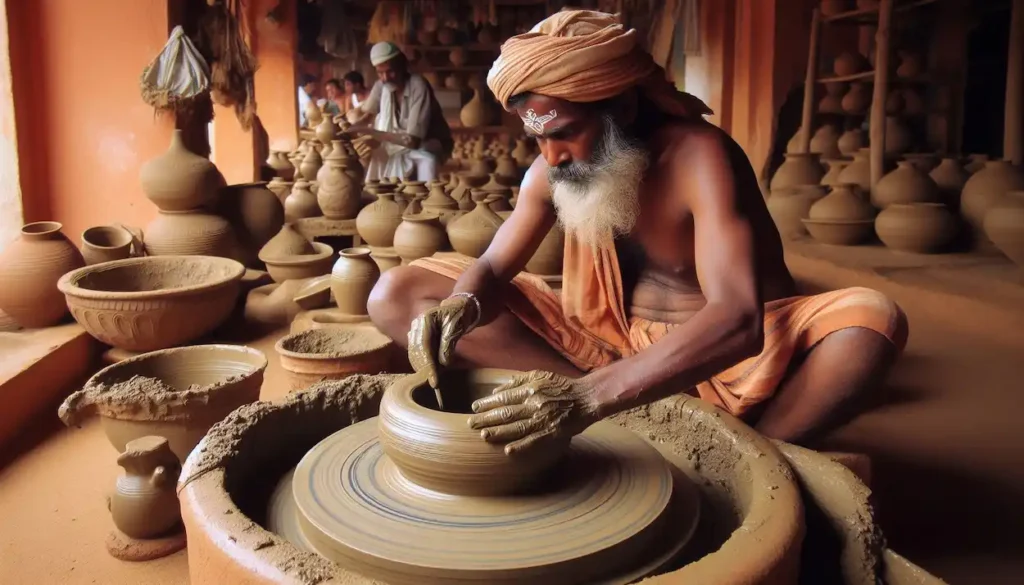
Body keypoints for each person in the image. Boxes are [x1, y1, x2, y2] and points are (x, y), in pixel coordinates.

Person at [367, 10, 909, 453]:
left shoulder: (701, 156)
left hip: (727, 361)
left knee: (870, 325)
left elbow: (738, 320)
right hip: (603, 347)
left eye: (565, 134)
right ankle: (610, 417)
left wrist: (587, 399)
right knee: (398, 294)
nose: (551, 157)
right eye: (537, 140)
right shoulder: (552, 168)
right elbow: (490, 266)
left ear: (622, 106)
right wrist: (464, 304)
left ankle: (744, 453)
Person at [344, 42, 452, 182]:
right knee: (376, 158)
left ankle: (424, 196)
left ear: (402, 67)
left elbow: (413, 141)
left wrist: (373, 134)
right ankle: (383, 194)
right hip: (396, 144)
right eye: (380, 72)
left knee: (426, 161)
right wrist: (348, 127)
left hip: (428, 143)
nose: (385, 77)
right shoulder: (381, 86)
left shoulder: (418, 86)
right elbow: (367, 115)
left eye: (390, 71)